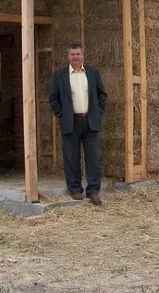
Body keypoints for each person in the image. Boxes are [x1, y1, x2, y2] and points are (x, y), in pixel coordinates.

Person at [48, 43, 107, 205]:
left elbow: (102, 95)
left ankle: (93, 191)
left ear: (83, 55)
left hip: (90, 121)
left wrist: (98, 112)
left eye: (78, 54)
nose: (75, 57)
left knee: (93, 158)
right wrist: (62, 115)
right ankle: (75, 189)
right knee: (71, 157)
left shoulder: (93, 73)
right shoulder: (59, 76)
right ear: (68, 57)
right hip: (70, 121)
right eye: (72, 54)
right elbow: (53, 99)